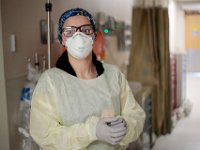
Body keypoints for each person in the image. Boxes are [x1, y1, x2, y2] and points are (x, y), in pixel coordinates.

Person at [30, 8, 145, 150]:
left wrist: (126, 126)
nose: (79, 36)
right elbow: (44, 135)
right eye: (70, 31)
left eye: (86, 30)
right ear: (62, 39)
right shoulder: (50, 82)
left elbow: (136, 115)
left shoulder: (114, 75)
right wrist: (92, 131)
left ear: (94, 36)